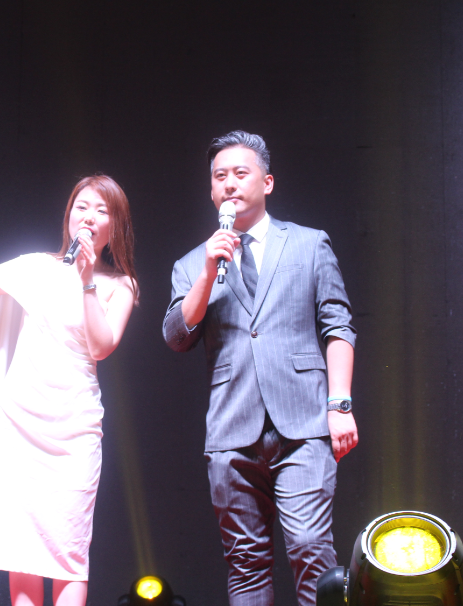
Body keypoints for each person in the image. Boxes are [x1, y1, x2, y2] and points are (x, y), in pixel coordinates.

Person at [162, 131, 357, 606]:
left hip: (304, 422)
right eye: (219, 176)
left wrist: (340, 404)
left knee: (311, 548)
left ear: (267, 182)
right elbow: (176, 336)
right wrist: (207, 272)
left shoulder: (309, 244)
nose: (229, 183)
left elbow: (338, 327)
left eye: (240, 173)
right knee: (245, 563)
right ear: (211, 190)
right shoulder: (192, 264)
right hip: (232, 429)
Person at [0, 175, 138, 606]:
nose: (89, 216)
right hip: (21, 423)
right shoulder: (40, 267)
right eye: (82, 206)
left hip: (74, 431)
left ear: (115, 225)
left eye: (101, 210)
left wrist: (87, 279)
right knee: (21, 551)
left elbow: (101, 346)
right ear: (69, 215)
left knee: (69, 553)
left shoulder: (121, 285)